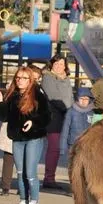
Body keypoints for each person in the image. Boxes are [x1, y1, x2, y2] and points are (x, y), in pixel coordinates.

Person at [0, 66, 52, 204]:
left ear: (30, 80)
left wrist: (34, 122)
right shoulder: (12, 94)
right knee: (20, 173)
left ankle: (34, 203)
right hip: (17, 137)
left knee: (30, 172)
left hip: (34, 137)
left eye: (24, 78)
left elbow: (47, 116)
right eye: (18, 78)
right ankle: (23, 201)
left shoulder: (38, 93)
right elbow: (4, 117)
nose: (20, 81)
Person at [41, 54, 73, 190]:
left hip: (67, 116)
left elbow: (70, 97)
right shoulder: (48, 77)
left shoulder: (66, 79)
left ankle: (55, 177)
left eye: (62, 64)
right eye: (56, 64)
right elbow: (54, 96)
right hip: (54, 117)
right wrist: (69, 111)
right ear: (51, 65)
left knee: (64, 149)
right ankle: (48, 178)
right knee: (54, 149)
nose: (59, 66)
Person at [59, 87, 95, 158]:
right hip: (73, 144)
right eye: (81, 98)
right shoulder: (71, 111)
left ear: (90, 100)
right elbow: (65, 130)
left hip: (87, 145)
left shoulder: (92, 113)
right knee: (74, 166)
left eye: (86, 99)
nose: (84, 101)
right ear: (77, 99)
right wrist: (62, 148)